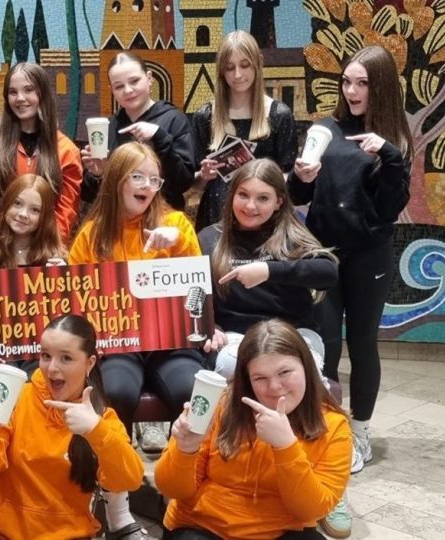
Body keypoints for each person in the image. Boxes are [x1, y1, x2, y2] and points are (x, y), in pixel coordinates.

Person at [288, 45, 412, 476]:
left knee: (362, 344)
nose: (352, 90)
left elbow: (390, 208)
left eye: (362, 82)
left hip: (368, 255)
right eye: (346, 81)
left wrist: (389, 157)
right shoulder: (325, 128)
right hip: (323, 254)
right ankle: (325, 425)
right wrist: (298, 178)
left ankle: (359, 430)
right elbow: (300, 195)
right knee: (323, 344)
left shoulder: (392, 138)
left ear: (379, 87)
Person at [69, 141, 203, 539]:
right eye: (137, 177)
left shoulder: (177, 224)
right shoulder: (93, 234)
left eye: (153, 178)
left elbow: (197, 288)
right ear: (116, 181)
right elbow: (77, 299)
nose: (147, 185)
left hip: (169, 342)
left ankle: (186, 497)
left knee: (191, 392)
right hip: (117, 343)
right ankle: (117, 505)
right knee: (120, 392)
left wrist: (177, 246)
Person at [155, 319, 352, 540]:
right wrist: (185, 449)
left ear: (306, 368)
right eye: (260, 378)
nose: (275, 387)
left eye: (285, 372)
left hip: (280, 532)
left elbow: (313, 510)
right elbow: (172, 490)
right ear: (247, 381)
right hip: (203, 527)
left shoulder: (333, 425)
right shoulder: (218, 405)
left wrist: (286, 447)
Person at [0, 314, 144, 540]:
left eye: (66, 358)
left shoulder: (101, 418)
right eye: (45, 356)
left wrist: (97, 432)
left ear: (90, 363)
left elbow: (128, 480)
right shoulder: (15, 400)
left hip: (68, 534)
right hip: (2, 534)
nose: (52, 368)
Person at [198, 158, 337, 380]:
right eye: (243, 195)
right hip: (236, 335)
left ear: (278, 202)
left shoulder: (291, 236)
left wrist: (268, 271)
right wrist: (209, 324)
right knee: (231, 365)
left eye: (263, 198)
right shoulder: (209, 237)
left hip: (292, 332)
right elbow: (194, 292)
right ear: (231, 195)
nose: (250, 206)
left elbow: (328, 272)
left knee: (292, 372)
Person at [0, 173, 68, 396]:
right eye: (17, 204)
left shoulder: (56, 261)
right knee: (0, 392)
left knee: (36, 388)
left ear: (44, 218)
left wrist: (63, 282)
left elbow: (68, 325)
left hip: (41, 355)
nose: (23, 214)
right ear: (6, 205)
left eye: (35, 210)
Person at [0, 62, 83, 246]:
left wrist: (45, 250)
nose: (20, 98)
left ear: (42, 94)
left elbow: (66, 212)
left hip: (44, 255)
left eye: (28, 90)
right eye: (13, 92)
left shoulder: (66, 150)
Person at [193, 30, 298, 231]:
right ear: (221, 71)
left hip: (263, 220)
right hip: (216, 218)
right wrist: (204, 175)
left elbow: (288, 179)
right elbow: (194, 185)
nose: (238, 75)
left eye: (244, 65)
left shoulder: (279, 115)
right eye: (230, 68)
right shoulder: (205, 116)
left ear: (258, 62)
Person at [81, 51, 196, 210]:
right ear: (112, 90)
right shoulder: (107, 128)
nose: (128, 90)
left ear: (149, 78)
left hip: (163, 221)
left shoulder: (174, 120)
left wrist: (159, 137)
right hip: (119, 223)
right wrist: (98, 174)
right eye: (119, 86)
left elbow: (183, 182)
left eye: (134, 81)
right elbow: (89, 196)